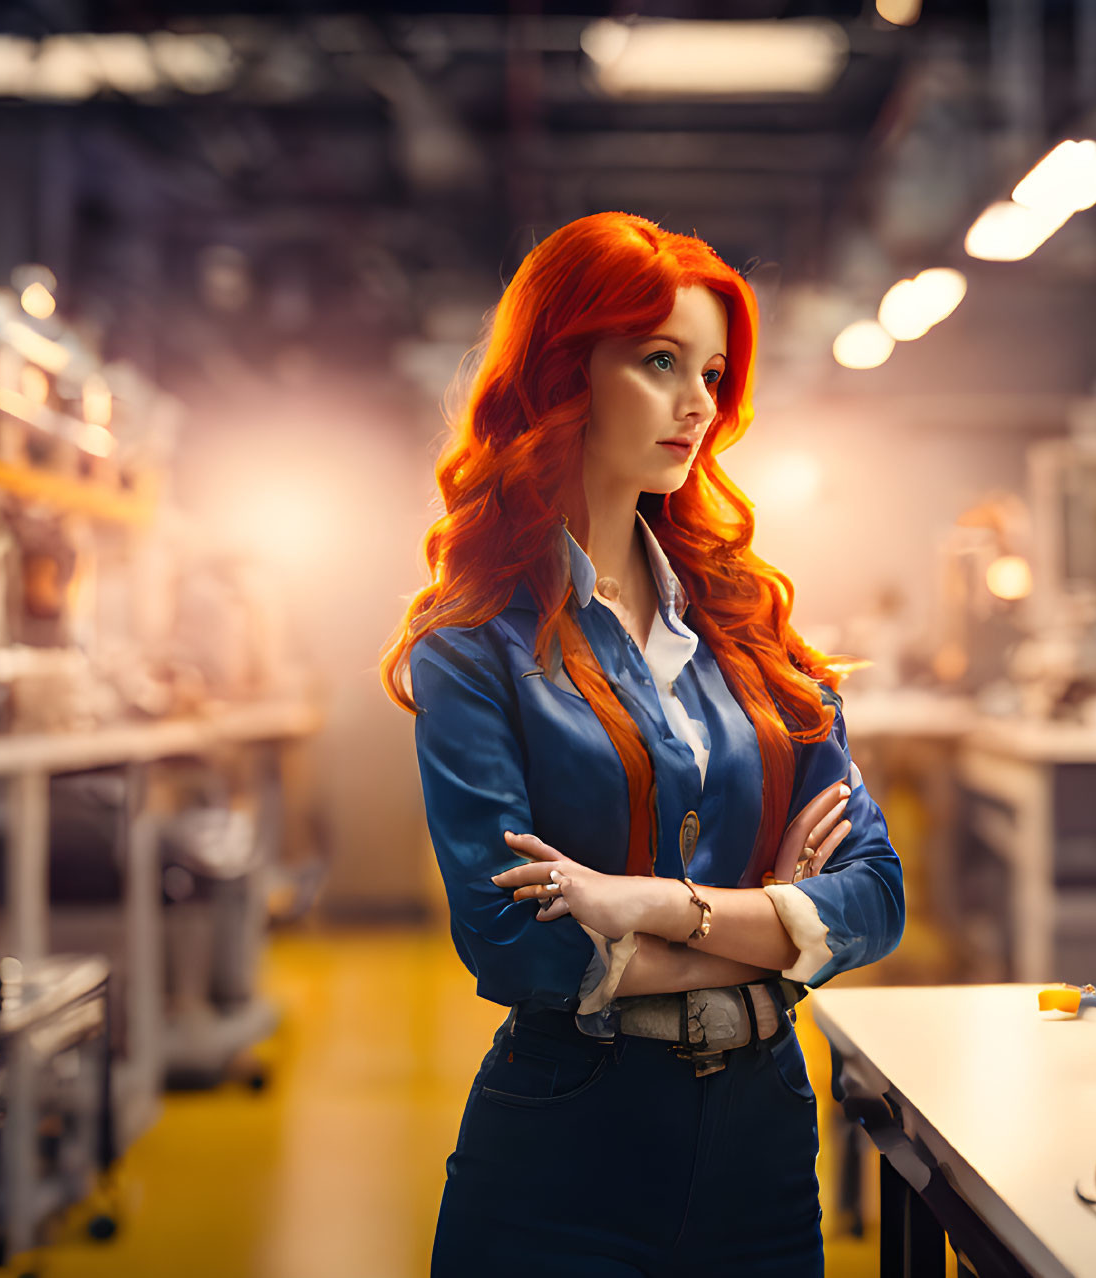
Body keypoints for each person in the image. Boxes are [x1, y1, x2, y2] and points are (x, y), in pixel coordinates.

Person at [381, 211, 905, 1277]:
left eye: (710, 371)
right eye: (658, 361)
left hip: (762, 1138)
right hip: (565, 1142)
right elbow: (515, 942)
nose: (697, 403)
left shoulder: (753, 631)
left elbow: (879, 898)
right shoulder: (471, 648)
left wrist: (648, 908)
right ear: (561, 371)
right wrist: (773, 923)